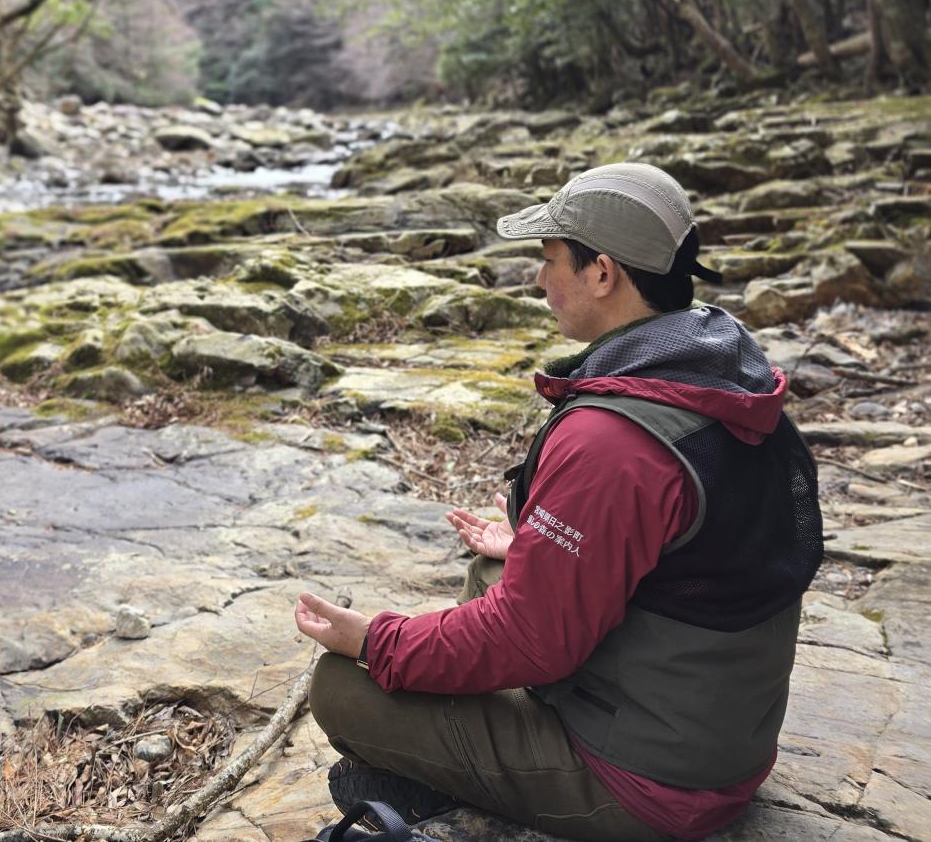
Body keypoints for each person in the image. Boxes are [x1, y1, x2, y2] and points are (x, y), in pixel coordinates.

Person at [293, 162, 824, 842]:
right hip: (716, 731)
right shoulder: (720, 366)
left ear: (601, 272)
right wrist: (529, 550)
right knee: (491, 572)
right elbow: (694, 544)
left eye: (549, 260)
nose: (539, 280)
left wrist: (375, 640)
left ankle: (457, 781)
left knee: (342, 686)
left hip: (651, 786)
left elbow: (528, 637)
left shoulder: (613, 439)